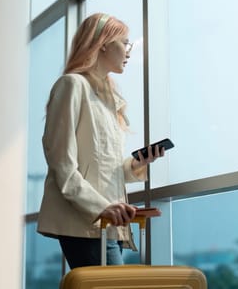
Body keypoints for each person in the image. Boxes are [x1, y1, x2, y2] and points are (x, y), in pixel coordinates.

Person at [37, 13, 165, 268]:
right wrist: (100, 207)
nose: (128, 52)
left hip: (107, 222)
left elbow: (104, 167)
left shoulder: (107, 99)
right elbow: (62, 162)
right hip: (85, 223)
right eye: (125, 43)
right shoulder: (72, 85)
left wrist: (138, 164)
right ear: (103, 43)